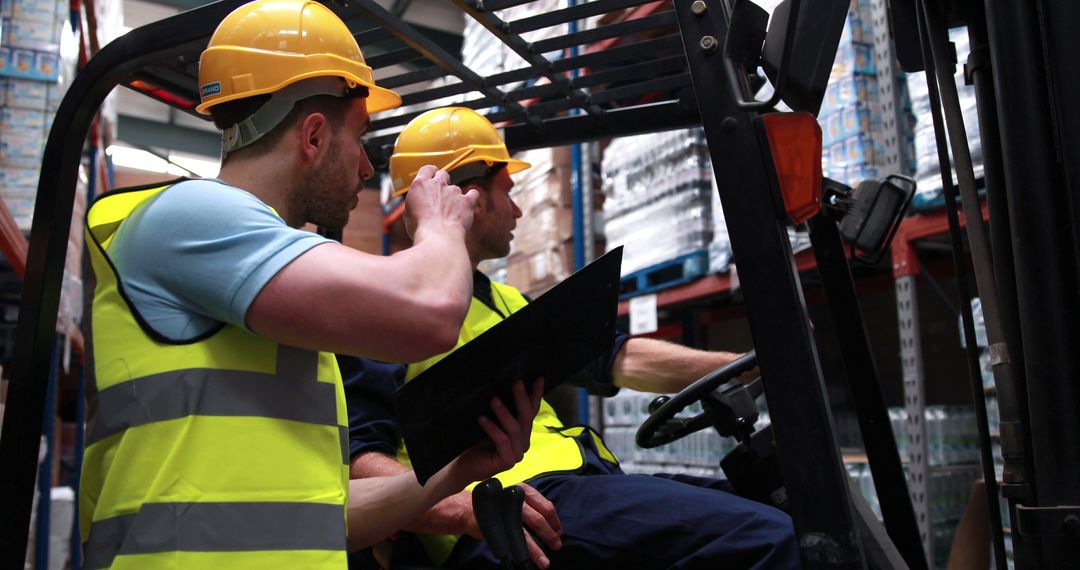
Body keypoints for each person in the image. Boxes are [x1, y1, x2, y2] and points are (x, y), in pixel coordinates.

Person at [78, 3, 542, 569]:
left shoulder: (282, 308)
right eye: (361, 137)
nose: (368, 169)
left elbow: (327, 515)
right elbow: (431, 313)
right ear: (315, 136)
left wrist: (458, 471)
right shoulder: (188, 218)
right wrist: (442, 227)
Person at [341, 107, 801, 569]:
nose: (518, 210)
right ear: (475, 199)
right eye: (509, 193)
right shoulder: (388, 303)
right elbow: (361, 459)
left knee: (787, 507)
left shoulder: (506, 301)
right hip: (513, 515)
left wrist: (754, 361)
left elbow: (615, 359)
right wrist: (464, 509)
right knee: (769, 539)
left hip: (578, 484)